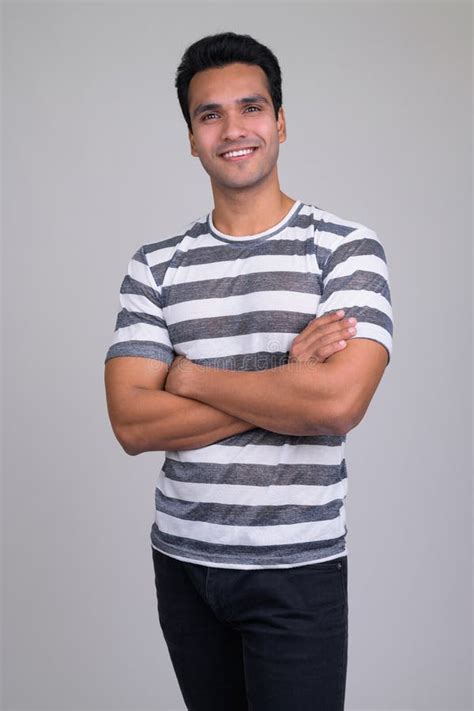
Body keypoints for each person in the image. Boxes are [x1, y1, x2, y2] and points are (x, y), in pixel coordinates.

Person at [104, 31, 393, 711]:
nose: (233, 129)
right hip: (183, 564)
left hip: (297, 571)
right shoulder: (156, 265)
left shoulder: (344, 248)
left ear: (281, 122)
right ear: (191, 136)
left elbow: (338, 403)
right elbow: (131, 422)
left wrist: (193, 378)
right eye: (210, 114)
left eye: (251, 107)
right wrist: (286, 377)